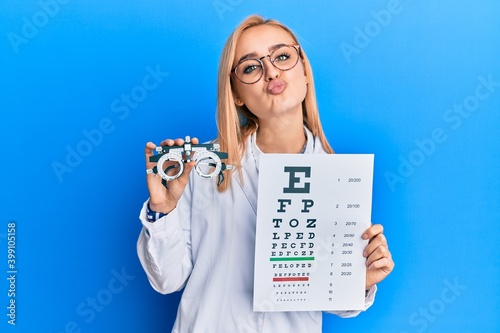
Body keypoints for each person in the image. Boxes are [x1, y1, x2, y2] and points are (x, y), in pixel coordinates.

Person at [137, 14, 394, 333]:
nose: (271, 71)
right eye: (250, 67)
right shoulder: (201, 167)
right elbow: (166, 281)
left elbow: (333, 300)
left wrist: (360, 279)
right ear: (236, 95)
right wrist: (164, 210)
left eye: (282, 56)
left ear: (305, 71)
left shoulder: (340, 180)